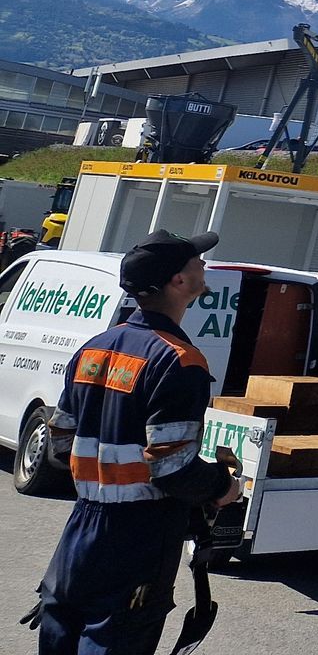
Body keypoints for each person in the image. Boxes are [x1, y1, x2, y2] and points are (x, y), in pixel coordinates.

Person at [27, 231, 242, 655]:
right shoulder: (180, 360)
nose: (203, 266)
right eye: (196, 261)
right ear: (177, 282)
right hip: (138, 535)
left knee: (61, 632)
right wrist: (222, 487)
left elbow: (59, 443)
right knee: (117, 639)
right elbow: (173, 467)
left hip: (81, 528)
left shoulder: (94, 349)